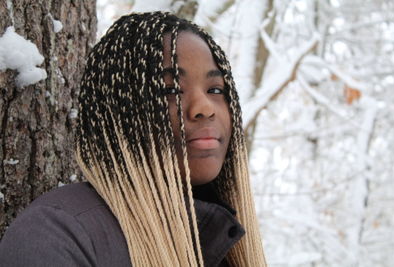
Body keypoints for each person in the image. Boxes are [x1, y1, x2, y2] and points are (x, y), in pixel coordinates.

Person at [0, 12, 266, 266]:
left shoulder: (225, 239)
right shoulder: (59, 232)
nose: (204, 108)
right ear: (118, 111)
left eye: (215, 89)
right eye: (170, 90)